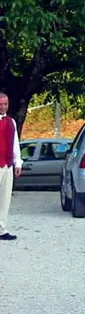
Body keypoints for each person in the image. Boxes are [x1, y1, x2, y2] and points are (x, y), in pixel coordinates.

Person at [0, 93, 23, 241]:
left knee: (5, 198)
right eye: (0, 104)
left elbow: (15, 143)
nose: (3, 107)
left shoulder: (11, 122)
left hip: (7, 164)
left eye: (5, 104)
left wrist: (18, 162)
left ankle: (1, 228)